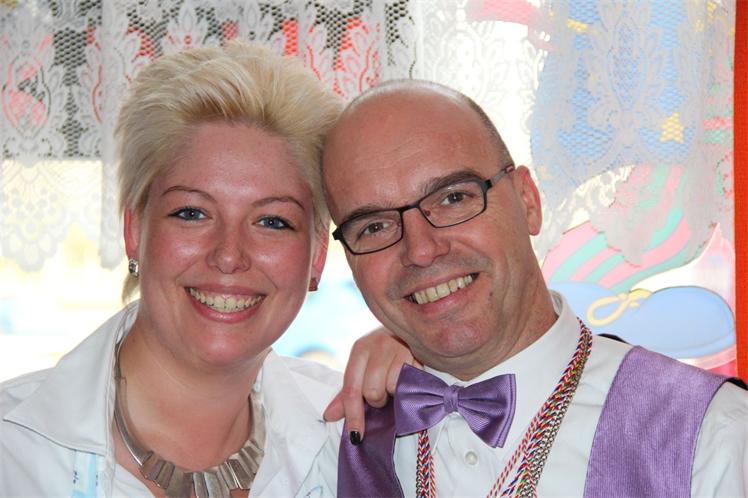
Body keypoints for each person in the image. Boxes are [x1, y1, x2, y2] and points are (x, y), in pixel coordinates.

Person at [0, 42, 412, 498]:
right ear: (135, 230)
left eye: (272, 221)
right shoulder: (13, 451)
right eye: (192, 213)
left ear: (317, 255)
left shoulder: (363, 442)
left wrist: (438, 368)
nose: (229, 255)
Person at [322, 79, 748, 497]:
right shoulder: (329, 446)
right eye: (374, 226)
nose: (421, 250)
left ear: (528, 200)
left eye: (453, 198)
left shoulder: (713, 438)